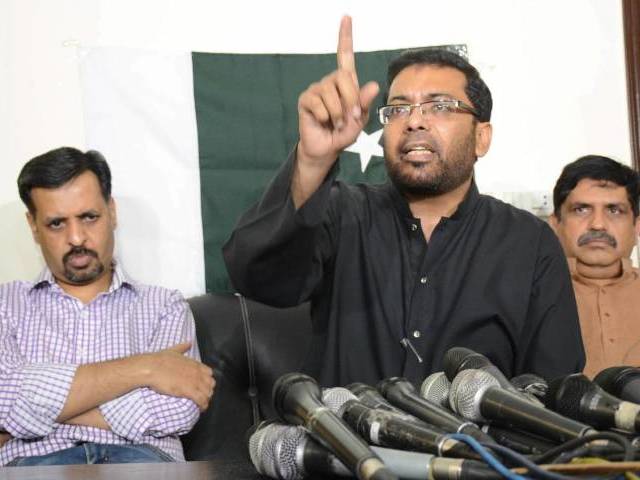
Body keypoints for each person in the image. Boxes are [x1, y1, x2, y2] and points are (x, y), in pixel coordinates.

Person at [223, 17, 585, 386]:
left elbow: (551, 387)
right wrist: (313, 160)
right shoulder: (341, 213)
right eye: (398, 109)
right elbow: (258, 279)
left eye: (439, 106)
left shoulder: (529, 242)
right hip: (345, 441)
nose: (414, 121)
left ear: (481, 138)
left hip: (477, 444)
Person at [0, 147, 215, 466]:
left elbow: (179, 410)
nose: (76, 238)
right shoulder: (6, 305)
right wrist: (146, 368)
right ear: (33, 226)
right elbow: (4, 398)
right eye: (57, 223)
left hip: (142, 463)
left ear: (111, 212)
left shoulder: (164, 306)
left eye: (89, 217)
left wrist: (37, 410)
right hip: (36, 465)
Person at [550, 155, 640, 378]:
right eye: (581, 209)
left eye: (614, 210)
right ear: (555, 224)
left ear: (637, 226)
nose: (598, 224)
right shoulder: (527, 299)